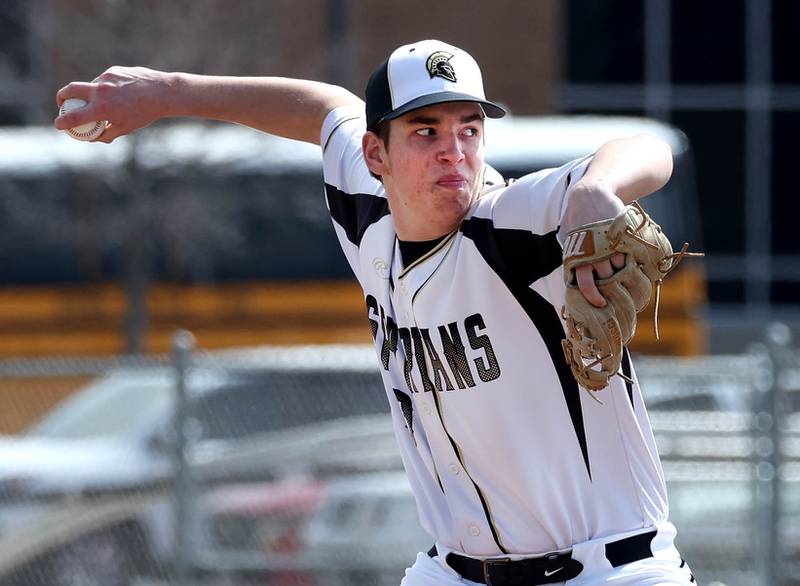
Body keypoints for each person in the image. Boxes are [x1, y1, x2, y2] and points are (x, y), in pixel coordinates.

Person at [55, 39, 695, 585]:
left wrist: (594, 189)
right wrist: (168, 91)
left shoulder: (514, 225)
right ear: (375, 156)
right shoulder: (369, 220)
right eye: (426, 131)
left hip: (609, 570)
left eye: (469, 128)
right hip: (455, 568)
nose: (454, 150)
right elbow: (322, 107)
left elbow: (650, 149)